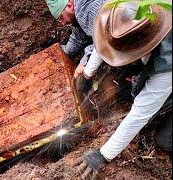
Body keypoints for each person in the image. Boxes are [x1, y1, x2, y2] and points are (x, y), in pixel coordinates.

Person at [72, 1, 172, 179]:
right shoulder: (137, 10)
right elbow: (107, 39)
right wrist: (87, 73)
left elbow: (141, 112)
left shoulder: (167, 66)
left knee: (163, 140)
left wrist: (103, 155)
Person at [45, 0, 106, 78]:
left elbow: (104, 37)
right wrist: (64, 53)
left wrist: (84, 62)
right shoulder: (78, 11)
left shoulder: (84, 10)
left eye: (61, 18)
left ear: (69, 6)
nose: (63, 23)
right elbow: (78, 37)